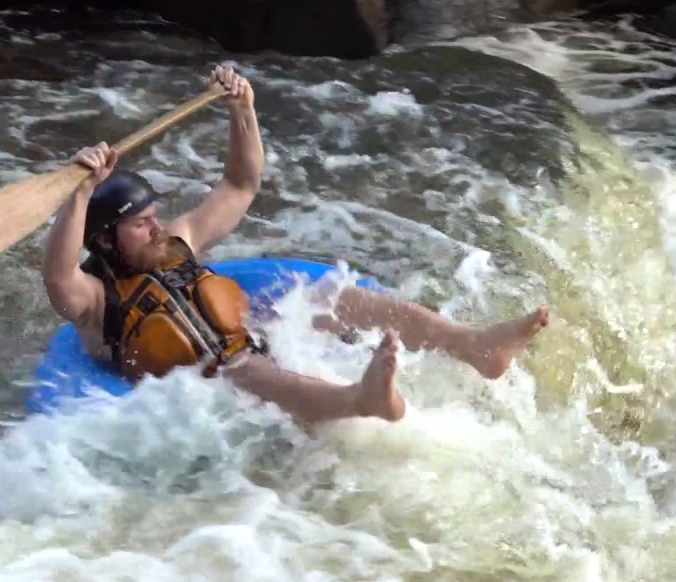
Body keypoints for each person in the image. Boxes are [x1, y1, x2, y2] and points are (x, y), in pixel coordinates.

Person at [40, 66, 549, 427]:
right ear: (105, 238)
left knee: (333, 295)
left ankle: (474, 345)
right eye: (140, 224)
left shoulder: (177, 242)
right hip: (206, 379)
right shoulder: (93, 300)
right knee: (246, 370)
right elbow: (58, 276)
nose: (156, 228)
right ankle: (361, 400)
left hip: (243, 333)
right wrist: (82, 191)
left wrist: (243, 111)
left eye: (154, 218)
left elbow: (240, 184)